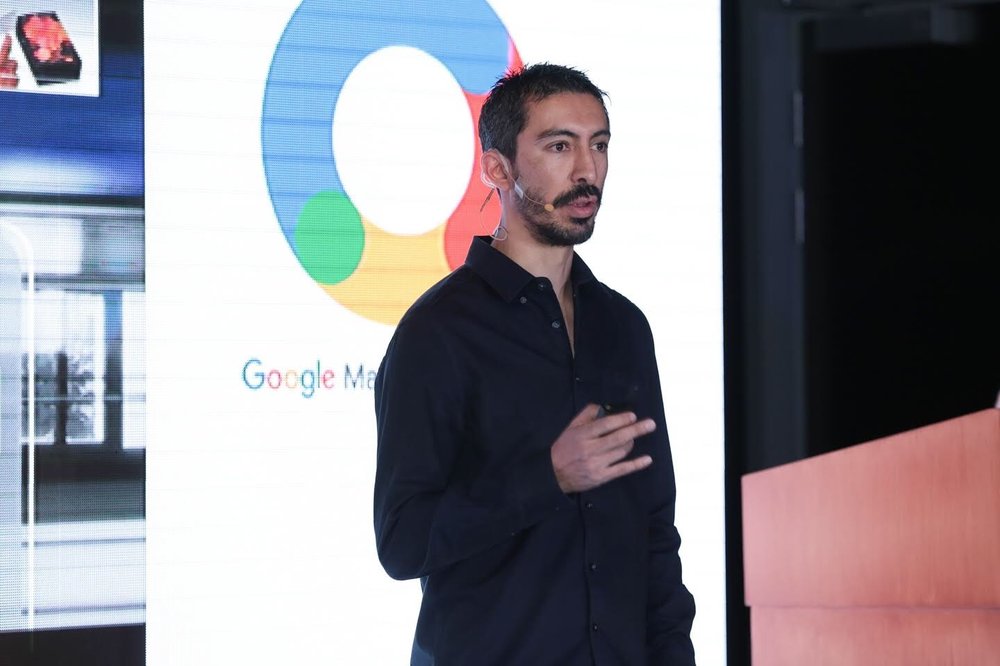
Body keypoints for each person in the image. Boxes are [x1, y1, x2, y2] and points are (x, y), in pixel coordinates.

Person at [373, 63, 695, 665]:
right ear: (497, 168)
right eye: (558, 146)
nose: (587, 170)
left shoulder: (623, 327)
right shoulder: (439, 332)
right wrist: (547, 477)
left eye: (599, 145)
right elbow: (402, 541)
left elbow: (654, 531)